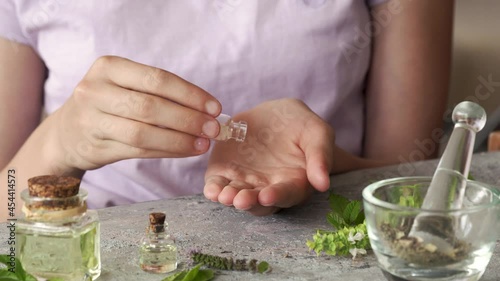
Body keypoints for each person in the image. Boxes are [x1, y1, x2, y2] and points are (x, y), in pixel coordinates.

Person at [0, 0, 453, 220]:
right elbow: (4, 208)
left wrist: (326, 166)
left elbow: (412, 192)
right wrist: (60, 143)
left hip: (320, 242)